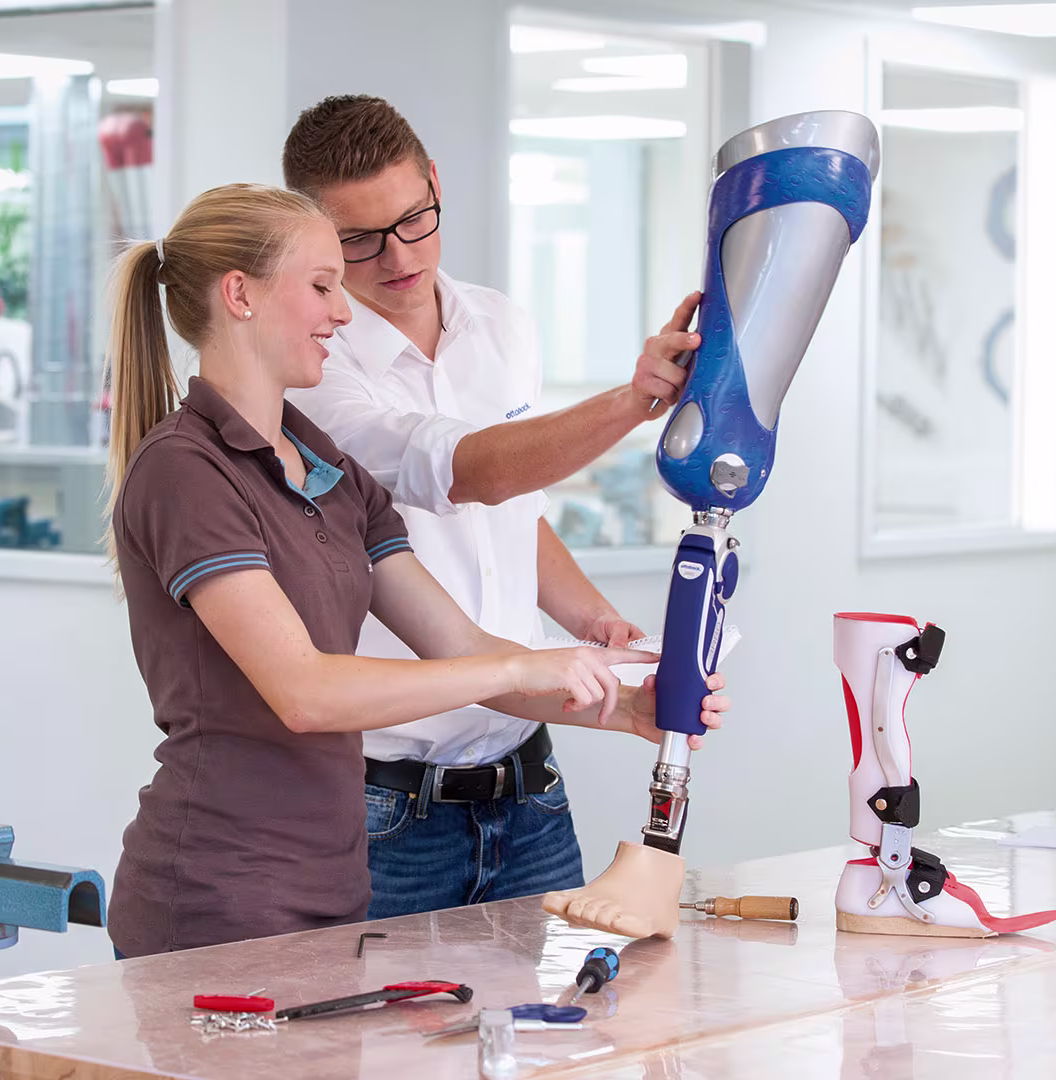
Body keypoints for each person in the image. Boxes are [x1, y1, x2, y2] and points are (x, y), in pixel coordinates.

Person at [100, 182, 730, 958]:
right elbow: (304, 692)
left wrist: (615, 705)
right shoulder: (184, 472)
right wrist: (535, 659)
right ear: (240, 295)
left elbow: (459, 649)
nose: (341, 312)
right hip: (219, 896)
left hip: (336, 887)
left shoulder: (330, 468)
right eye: (323, 286)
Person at [282, 96, 702, 918]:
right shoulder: (315, 366)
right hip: (387, 810)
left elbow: (514, 516)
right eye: (358, 241)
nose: (397, 257)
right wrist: (633, 401)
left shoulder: (501, 325)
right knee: (384, 1048)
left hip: (529, 789)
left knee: (562, 1041)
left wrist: (594, 622)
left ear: (436, 184)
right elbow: (464, 472)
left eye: (413, 221)